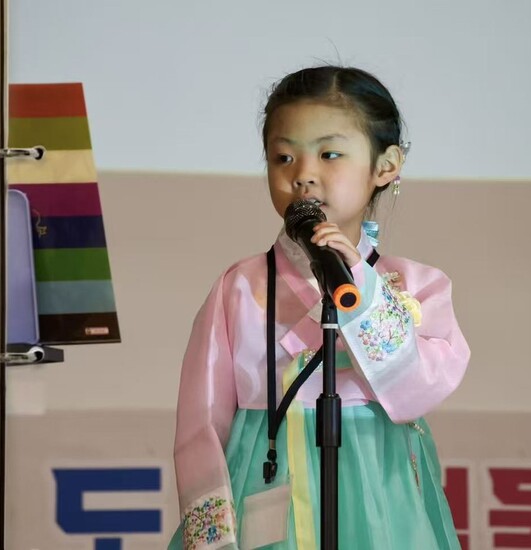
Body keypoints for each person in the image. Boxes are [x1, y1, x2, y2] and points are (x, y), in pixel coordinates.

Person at [169, 65, 469, 549]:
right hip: (263, 482)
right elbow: (200, 424)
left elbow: (416, 391)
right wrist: (214, 537)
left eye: (329, 154)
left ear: (386, 165)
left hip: (379, 491)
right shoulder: (238, 287)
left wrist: (362, 288)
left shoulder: (417, 285)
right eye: (283, 157)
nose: (303, 175)